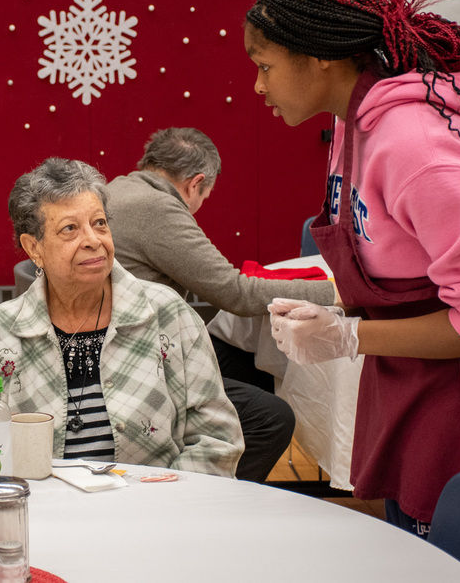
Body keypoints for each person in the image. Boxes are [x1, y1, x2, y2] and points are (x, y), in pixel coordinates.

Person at [245, 0, 460, 537]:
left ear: (320, 55)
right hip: (419, 368)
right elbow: (397, 251)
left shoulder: (415, 146)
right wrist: (340, 312)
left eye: (265, 66)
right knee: (413, 536)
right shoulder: (353, 123)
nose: (258, 85)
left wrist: (348, 336)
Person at [0, 158, 243, 476]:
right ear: (34, 248)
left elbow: (218, 439)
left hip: (152, 511)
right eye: (70, 229)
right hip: (40, 510)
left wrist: (160, 504)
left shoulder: (167, 314)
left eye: (99, 223)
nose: (93, 240)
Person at [106, 127, 338, 482]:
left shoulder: (121, 187)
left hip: (131, 344)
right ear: (195, 183)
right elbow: (235, 293)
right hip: (139, 362)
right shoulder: (157, 208)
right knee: (273, 419)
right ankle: (211, 503)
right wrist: (336, 294)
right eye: (205, 196)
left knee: (246, 358)